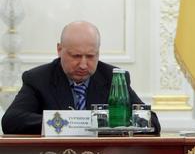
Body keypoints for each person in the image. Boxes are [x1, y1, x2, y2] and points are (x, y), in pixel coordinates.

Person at [1, 21, 161, 134]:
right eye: (76, 56)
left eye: (90, 56)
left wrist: (109, 122)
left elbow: (152, 121)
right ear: (59, 49)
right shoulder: (38, 79)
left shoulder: (114, 78)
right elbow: (12, 120)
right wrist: (65, 122)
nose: (83, 64)